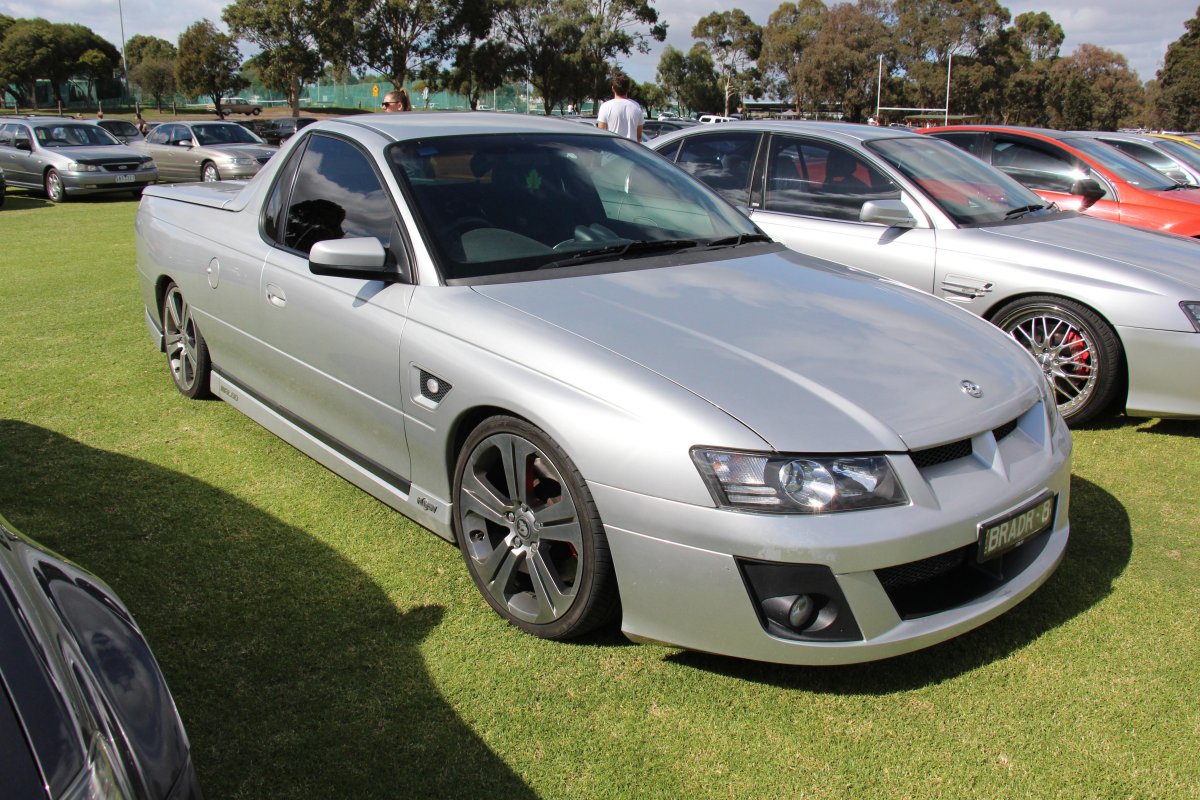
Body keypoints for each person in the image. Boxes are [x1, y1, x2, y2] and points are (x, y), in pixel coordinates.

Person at [596, 71, 643, 142]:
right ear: (628, 89)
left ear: (613, 88)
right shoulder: (636, 107)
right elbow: (638, 137)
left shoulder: (605, 107)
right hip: (631, 151)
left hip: (612, 151)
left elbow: (601, 134)